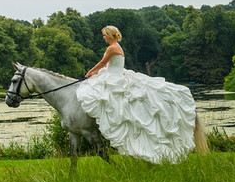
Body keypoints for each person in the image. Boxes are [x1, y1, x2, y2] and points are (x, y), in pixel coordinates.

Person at [76, 25, 197, 164]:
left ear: (110, 35)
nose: (103, 37)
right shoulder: (116, 46)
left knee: (99, 94)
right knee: (97, 92)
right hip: (113, 74)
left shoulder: (112, 47)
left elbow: (103, 63)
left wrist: (91, 72)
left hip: (114, 77)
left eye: (104, 35)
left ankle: (103, 120)